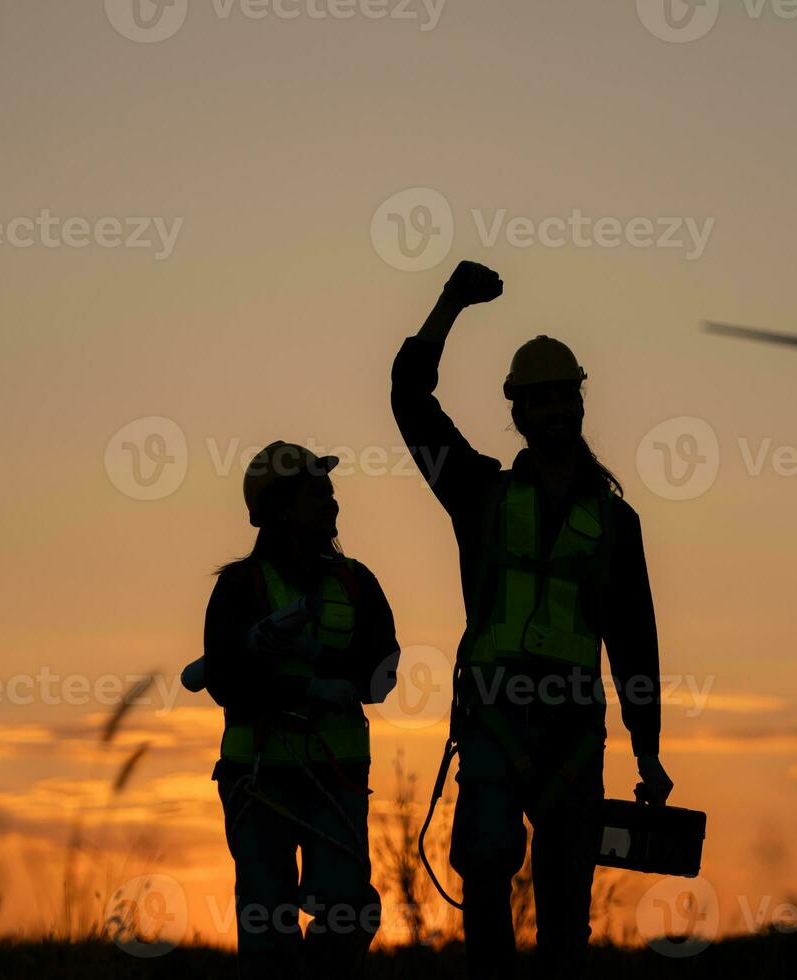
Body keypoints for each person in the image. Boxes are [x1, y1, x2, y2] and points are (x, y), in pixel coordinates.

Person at [391, 261, 673, 978]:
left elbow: (634, 640)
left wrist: (648, 750)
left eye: (562, 397)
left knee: (565, 919)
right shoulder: (476, 492)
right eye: (537, 399)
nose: (552, 410)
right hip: (493, 722)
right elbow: (409, 396)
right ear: (515, 412)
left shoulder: (616, 522)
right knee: (485, 884)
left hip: (574, 734)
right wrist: (450, 302)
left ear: (579, 405)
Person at [202, 440, 399, 979]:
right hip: (259, 775)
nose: (333, 505)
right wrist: (304, 684)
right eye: (320, 494)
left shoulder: (358, 584)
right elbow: (222, 681)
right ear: (282, 506)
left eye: (332, 493)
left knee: (346, 911)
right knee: (266, 928)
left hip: (335, 779)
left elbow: (382, 673)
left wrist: (317, 658)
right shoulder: (239, 587)